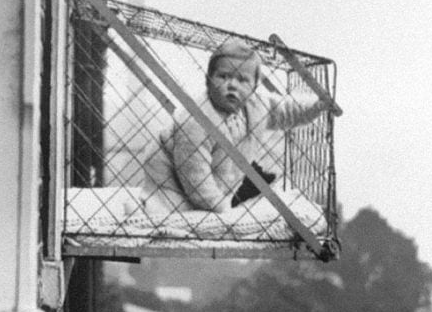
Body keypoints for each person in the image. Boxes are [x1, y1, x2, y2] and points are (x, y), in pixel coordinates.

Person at [142, 39, 337, 215]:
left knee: (216, 200)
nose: (232, 85)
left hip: (220, 174)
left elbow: (288, 111)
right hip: (168, 175)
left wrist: (316, 106)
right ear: (208, 80)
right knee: (168, 209)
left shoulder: (256, 105)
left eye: (242, 80)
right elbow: (195, 177)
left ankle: (219, 201)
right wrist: (221, 209)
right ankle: (146, 204)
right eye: (223, 76)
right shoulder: (196, 120)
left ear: (253, 87)